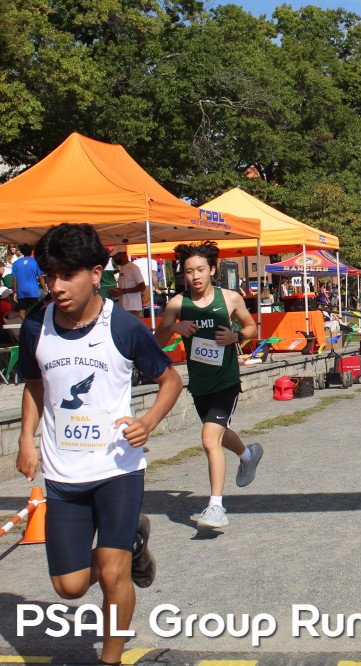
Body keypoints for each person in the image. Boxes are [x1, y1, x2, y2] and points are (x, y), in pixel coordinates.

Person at [16, 223, 182, 665]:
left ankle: (110, 659)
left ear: (95, 273)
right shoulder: (35, 326)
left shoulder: (123, 327)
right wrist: (26, 440)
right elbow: (35, 384)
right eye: (50, 276)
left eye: (66, 275)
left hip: (117, 469)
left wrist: (147, 422)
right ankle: (132, 545)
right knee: (69, 586)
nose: (56, 286)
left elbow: (170, 380)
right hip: (63, 473)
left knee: (112, 574)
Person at [154, 241, 263, 529]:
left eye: (201, 269)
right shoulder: (177, 304)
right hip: (200, 384)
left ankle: (216, 507)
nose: (195, 276)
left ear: (212, 270)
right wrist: (173, 327)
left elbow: (252, 327)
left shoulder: (230, 298)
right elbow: (157, 342)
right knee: (218, 434)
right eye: (189, 271)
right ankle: (248, 455)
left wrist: (236, 337)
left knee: (208, 438)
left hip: (226, 381)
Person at [108, 247, 146, 319]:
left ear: (122, 254)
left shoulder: (133, 268)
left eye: (115, 256)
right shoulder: (123, 268)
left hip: (132, 307)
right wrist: (116, 291)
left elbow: (142, 287)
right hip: (124, 307)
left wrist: (123, 291)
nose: (114, 259)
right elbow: (125, 286)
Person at [11, 243, 47, 318]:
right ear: (31, 251)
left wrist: (15, 292)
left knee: (21, 312)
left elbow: (15, 278)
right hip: (33, 291)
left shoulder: (16, 263)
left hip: (21, 291)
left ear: (22, 251)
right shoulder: (35, 262)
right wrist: (45, 289)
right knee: (35, 311)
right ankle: (31, 323)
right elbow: (40, 277)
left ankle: (24, 323)